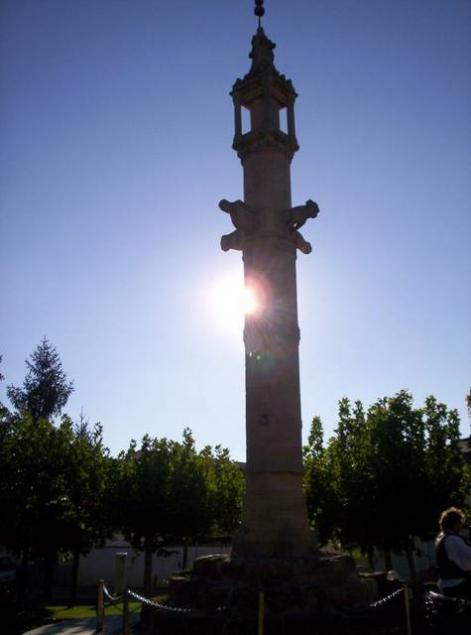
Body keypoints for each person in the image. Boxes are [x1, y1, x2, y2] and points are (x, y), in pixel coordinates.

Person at [435, 507, 471, 599]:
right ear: (455, 523)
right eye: (460, 522)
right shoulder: (453, 540)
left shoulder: (442, 538)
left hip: (446, 583)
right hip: (456, 583)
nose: (461, 525)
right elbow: (468, 556)